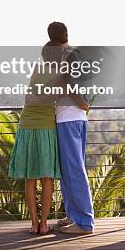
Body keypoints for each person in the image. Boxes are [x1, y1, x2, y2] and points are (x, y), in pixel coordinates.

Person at [8, 41, 62, 235]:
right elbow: (38, 98)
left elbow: (30, 98)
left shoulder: (38, 68)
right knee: (46, 177)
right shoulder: (61, 73)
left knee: (31, 177)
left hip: (29, 123)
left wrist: (39, 97)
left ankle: (34, 223)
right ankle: (43, 224)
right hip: (45, 124)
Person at [48, 21, 95, 235]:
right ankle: (73, 215)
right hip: (73, 118)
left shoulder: (66, 56)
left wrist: (81, 103)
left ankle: (84, 223)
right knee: (69, 170)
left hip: (69, 118)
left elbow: (68, 83)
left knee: (73, 170)